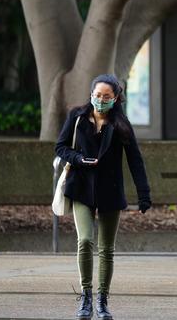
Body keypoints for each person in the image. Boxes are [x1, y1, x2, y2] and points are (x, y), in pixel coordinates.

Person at [55, 74, 151, 320]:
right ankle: (86, 296)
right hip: (81, 187)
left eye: (106, 96)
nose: (100, 100)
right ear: (91, 94)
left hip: (110, 190)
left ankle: (102, 299)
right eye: (97, 95)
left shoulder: (121, 124)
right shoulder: (77, 117)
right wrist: (78, 159)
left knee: (107, 249)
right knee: (85, 240)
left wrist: (144, 194)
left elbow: (135, 160)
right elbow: (61, 147)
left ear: (116, 98)